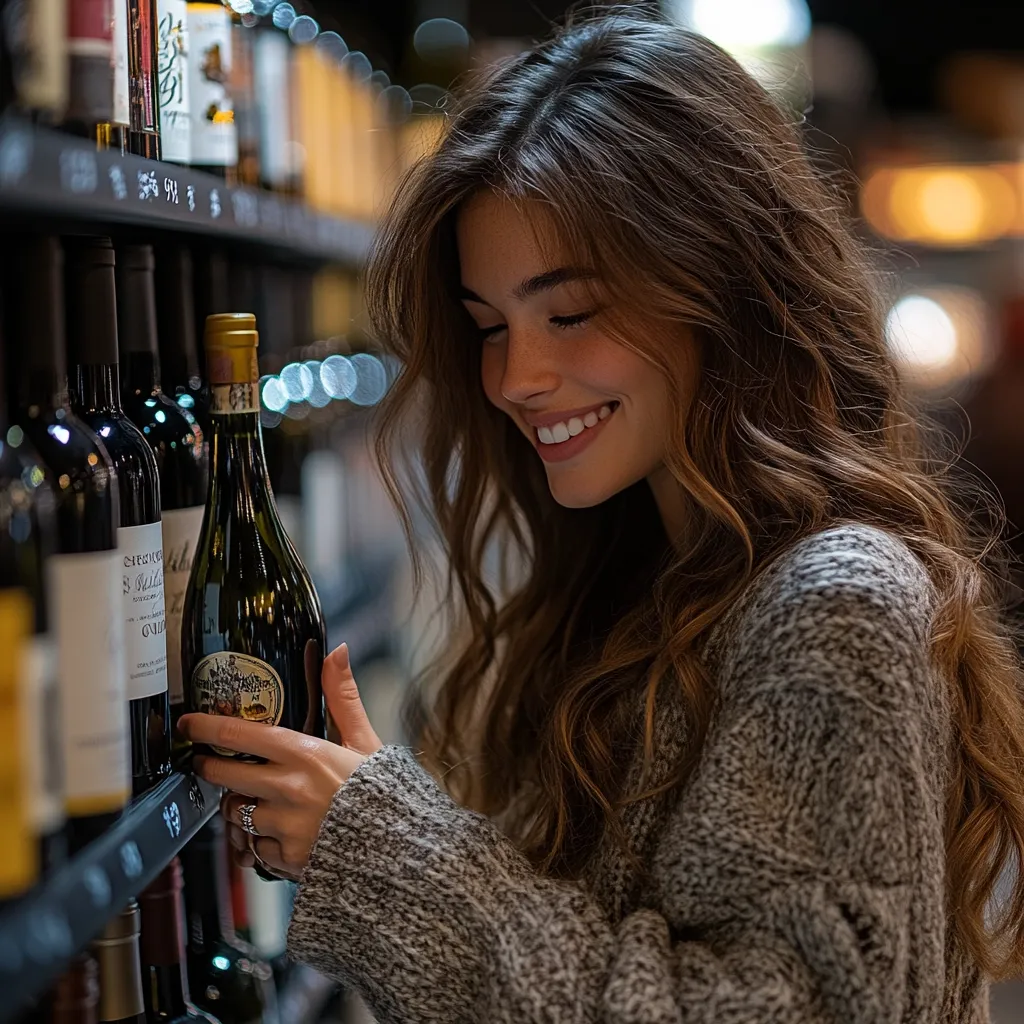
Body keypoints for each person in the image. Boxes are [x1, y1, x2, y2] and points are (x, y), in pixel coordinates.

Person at [177, 6, 1024, 1021]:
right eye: (490, 326)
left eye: (569, 313)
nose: (517, 378)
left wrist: (391, 854)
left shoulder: (835, 602)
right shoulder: (646, 576)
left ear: (720, 283)